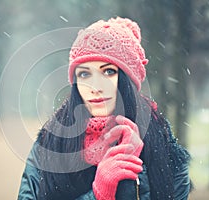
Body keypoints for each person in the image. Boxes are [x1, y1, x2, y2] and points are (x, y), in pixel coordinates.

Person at [17, 17, 191, 200]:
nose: (95, 87)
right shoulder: (51, 142)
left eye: (108, 71)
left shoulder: (162, 145)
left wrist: (132, 180)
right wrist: (100, 192)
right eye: (84, 74)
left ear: (128, 79)